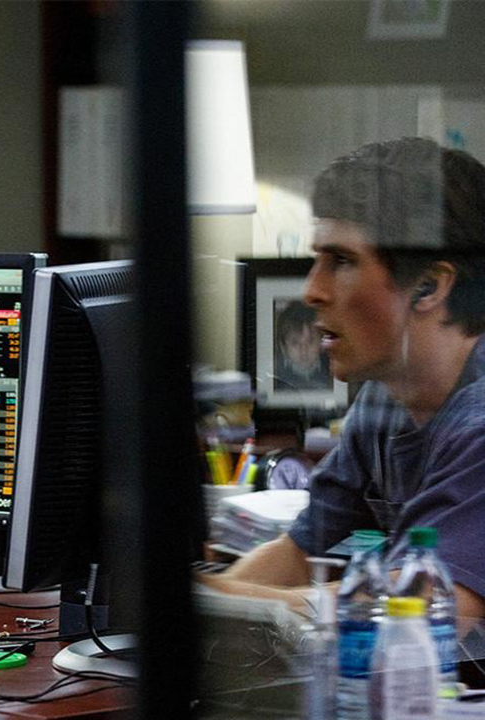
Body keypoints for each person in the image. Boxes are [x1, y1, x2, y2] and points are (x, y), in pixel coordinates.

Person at [206, 137, 485, 628]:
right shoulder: (385, 400)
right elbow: (299, 552)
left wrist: (213, 597)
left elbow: (424, 611)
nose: (311, 290)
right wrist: (216, 601)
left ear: (429, 286)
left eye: (341, 261)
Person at [272, 299, 333, 390]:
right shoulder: (273, 376)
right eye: (295, 342)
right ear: (283, 347)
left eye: (310, 341)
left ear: (321, 344)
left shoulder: (333, 370)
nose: (303, 349)